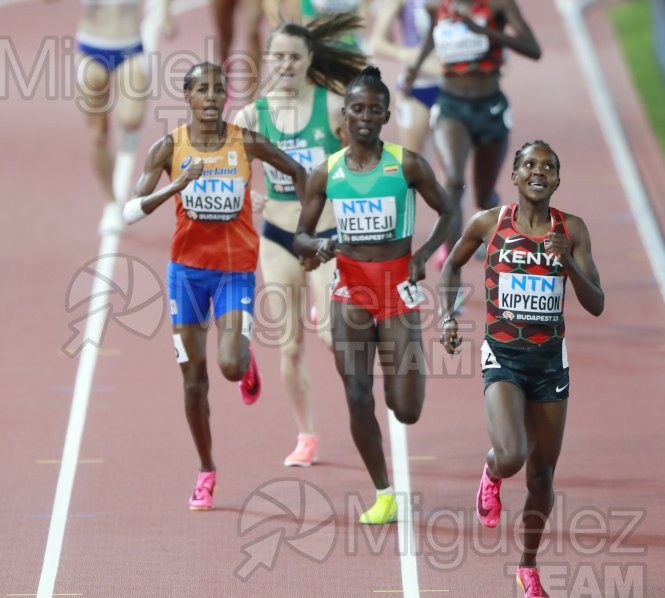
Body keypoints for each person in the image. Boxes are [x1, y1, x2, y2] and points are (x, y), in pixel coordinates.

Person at [117, 63, 308, 511]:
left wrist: (304, 227)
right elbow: (129, 211)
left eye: (218, 89)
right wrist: (174, 189)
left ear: (226, 97)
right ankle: (206, 470)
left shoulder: (246, 142)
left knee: (228, 365)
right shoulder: (169, 148)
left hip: (233, 270)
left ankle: (242, 353)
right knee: (193, 383)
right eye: (201, 89)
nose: (210, 96)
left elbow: (299, 172)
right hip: (186, 274)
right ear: (187, 96)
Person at [438, 140, 605, 598]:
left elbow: (597, 304)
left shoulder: (572, 229)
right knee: (511, 454)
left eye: (548, 166)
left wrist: (567, 261)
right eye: (529, 164)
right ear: (513, 175)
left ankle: (528, 568)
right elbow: (450, 267)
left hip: (551, 364)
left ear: (557, 179)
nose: (539, 171)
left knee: (543, 478)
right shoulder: (489, 223)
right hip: (504, 358)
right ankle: (491, 473)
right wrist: (448, 317)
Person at [294, 66, 458, 524]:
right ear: (344, 116)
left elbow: (448, 211)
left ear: (386, 115)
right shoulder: (326, 173)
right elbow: (301, 238)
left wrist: (424, 253)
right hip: (349, 292)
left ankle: (401, 374)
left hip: (397, 291)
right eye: (357, 109)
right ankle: (384, 493)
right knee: (358, 395)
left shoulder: (405, 164)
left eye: (374, 110)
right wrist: (321, 246)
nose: (365, 116)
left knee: (405, 410)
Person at [233, 14, 366, 468]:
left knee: (332, 337)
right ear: (267, 59)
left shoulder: (333, 108)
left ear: (310, 59)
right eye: (278, 56)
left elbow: (361, 162)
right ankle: (306, 434)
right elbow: (230, 173)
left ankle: (324, 310)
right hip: (277, 238)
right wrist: (245, 194)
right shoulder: (252, 116)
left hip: (326, 238)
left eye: (294, 56)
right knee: (289, 345)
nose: (285, 64)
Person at [403, 0, 540, 270]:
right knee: (453, 182)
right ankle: (452, 267)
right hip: (451, 106)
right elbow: (433, 35)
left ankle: (492, 210)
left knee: (483, 196)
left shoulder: (499, 5)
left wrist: (487, 33)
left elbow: (534, 49)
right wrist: (414, 70)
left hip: (490, 108)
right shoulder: (438, 7)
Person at [73, 0, 175, 233]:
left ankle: (127, 139)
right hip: (90, 48)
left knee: (131, 120)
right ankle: (111, 204)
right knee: (97, 134)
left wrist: (166, 14)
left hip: (128, 47)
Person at [369, 0, 442, 159]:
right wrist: (408, 55)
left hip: (454, 85)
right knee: (413, 161)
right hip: (417, 86)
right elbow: (376, 43)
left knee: (453, 167)